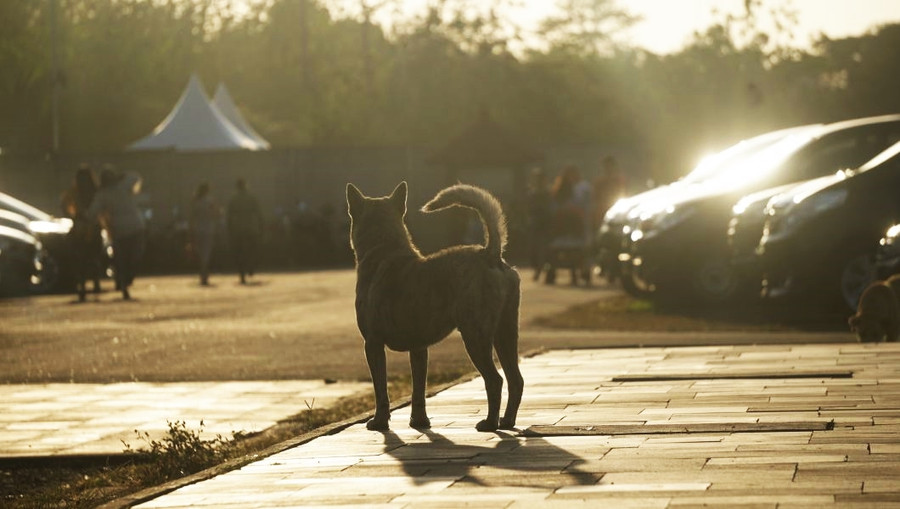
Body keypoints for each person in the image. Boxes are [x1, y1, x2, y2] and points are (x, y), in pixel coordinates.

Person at [87, 166, 145, 300]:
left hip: (122, 230)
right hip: (132, 228)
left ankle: (124, 282)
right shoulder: (121, 186)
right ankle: (125, 282)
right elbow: (135, 176)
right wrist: (123, 175)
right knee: (133, 258)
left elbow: (92, 213)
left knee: (124, 260)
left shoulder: (105, 193)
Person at [60, 164, 105, 301]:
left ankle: (82, 285)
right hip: (93, 227)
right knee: (94, 257)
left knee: (81, 259)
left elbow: (64, 206)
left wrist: (73, 215)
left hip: (79, 228)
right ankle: (95, 283)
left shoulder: (74, 192)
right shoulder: (96, 192)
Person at [227, 178, 264, 284]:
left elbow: (229, 216)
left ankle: (242, 274)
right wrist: (261, 226)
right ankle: (251, 266)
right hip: (250, 227)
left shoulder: (234, 199)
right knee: (252, 249)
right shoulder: (251, 198)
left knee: (239, 252)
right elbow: (258, 213)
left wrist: (229, 228)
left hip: (238, 228)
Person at [189, 182, 221, 286]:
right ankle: (204, 273)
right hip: (209, 229)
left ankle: (202, 273)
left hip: (198, 229)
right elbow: (216, 213)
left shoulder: (195, 201)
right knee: (206, 252)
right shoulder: (210, 201)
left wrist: (191, 230)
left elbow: (192, 216)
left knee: (200, 252)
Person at [526, 167, 553, 282]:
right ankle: (538, 270)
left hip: (545, 224)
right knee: (536, 249)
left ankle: (545, 271)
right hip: (536, 224)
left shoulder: (547, 193)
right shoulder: (532, 193)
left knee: (544, 249)